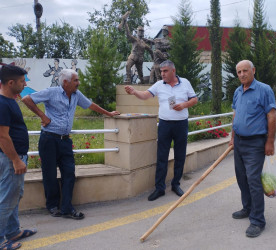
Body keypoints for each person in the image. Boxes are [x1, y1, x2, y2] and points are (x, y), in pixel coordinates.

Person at [22, 69, 120, 220]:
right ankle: (53, 206)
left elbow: (91, 105)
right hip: (49, 139)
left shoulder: (76, 94)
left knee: (69, 173)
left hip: (65, 141)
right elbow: (26, 99)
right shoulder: (52, 92)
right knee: (50, 174)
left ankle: (67, 207)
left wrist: (109, 113)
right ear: (66, 82)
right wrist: (42, 116)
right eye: (76, 80)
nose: (78, 83)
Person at [125, 60, 198, 201]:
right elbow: (146, 95)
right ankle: (160, 188)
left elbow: (194, 99)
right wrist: (134, 92)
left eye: (165, 71)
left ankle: (176, 184)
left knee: (180, 155)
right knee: (162, 156)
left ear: (173, 71)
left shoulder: (185, 83)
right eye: (161, 71)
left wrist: (184, 105)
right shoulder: (159, 85)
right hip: (165, 124)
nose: (162, 74)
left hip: (181, 124)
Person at [229, 60, 276, 238]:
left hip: (256, 143)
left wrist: (270, 141)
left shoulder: (264, 90)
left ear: (253, 71)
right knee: (242, 178)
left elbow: (271, 116)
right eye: (239, 72)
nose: (242, 74)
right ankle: (247, 208)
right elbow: (236, 114)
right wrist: (233, 137)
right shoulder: (237, 91)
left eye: (245, 71)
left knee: (253, 181)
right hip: (239, 142)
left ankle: (257, 221)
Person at [0, 65, 37, 250]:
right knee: (7, 199)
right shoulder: (2, 104)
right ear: (11, 82)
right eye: (22, 81)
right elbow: (2, 136)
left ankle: (13, 231)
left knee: (14, 196)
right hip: (10, 159)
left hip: (13, 157)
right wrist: (15, 160)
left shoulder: (9, 100)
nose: (25, 84)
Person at [118, 11, 153, 84]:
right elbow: (128, 34)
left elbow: (150, 50)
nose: (141, 32)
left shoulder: (144, 43)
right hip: (133, 56)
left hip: (140, 59)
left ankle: (142, 83)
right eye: (140, 31)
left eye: (142, 31)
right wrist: (125, 24)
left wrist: (153, 56)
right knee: (128, 65)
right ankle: (128, 79)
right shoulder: (134, 39)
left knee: (140, 74)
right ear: (137, 32)